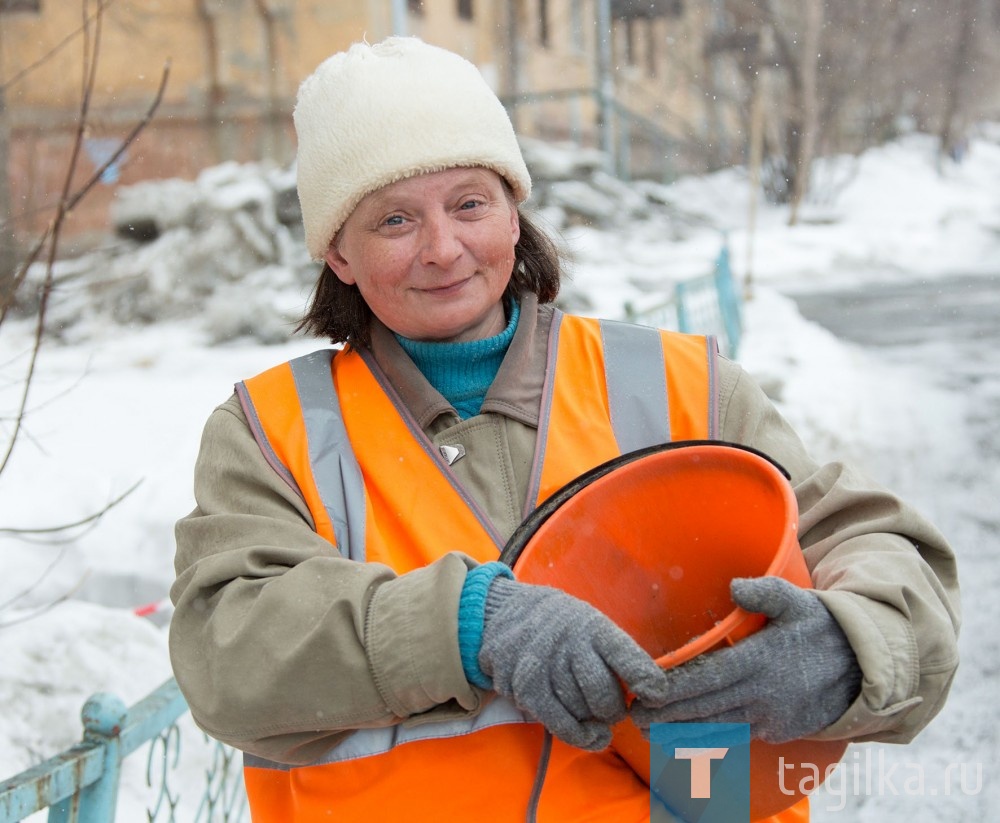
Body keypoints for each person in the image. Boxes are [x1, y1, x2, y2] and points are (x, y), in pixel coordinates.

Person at [169, 37, 960, 823]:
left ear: (515, 211)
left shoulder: (679, 385)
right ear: (338, 253)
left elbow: (870, 543)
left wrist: (846, 643)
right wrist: (470, 624)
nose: (442, 249)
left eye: (471, 203)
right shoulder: (272, 433)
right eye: (395, 220)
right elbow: (226, 647)